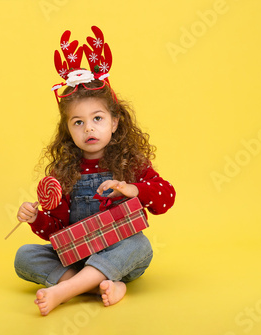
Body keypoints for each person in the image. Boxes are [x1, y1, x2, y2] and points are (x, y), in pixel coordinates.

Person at [14, 27, 175, 316]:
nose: (88, 128)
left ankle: (64, 290)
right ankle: (105, 285)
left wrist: (133, 189)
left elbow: (167, 198)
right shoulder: (65, 173)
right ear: (68, 130)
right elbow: (57, 233)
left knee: (139, 244)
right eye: (78, 122)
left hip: (119, 255)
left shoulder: (130, 163)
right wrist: (36, 217)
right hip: (77, 255)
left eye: (97, 118)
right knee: (24, 257)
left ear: (114, 121)